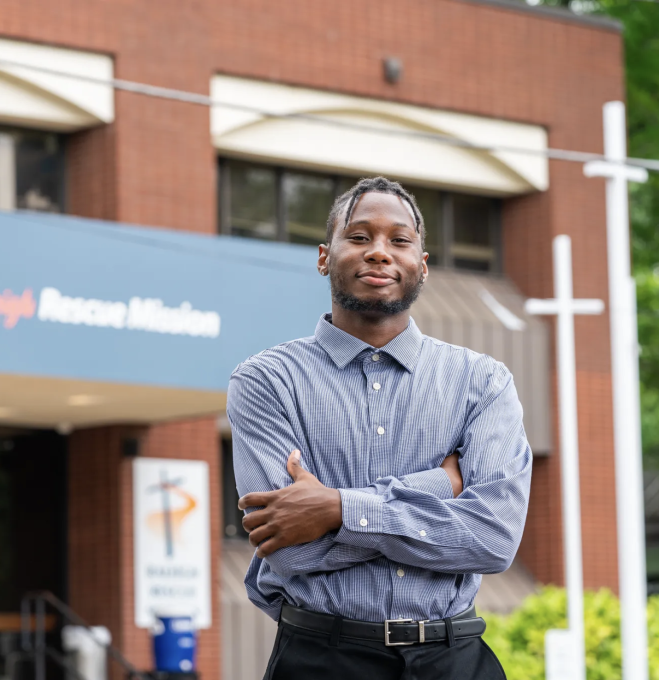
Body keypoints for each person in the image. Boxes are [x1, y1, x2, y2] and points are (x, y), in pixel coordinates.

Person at [227, 177, 532, 678]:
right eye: (360, 236)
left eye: (399, 240)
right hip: (320, 658)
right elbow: (291, 549)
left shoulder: (483, 383)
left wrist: (336, 508)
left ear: (422, 265)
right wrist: (441, 485)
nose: (379, 253)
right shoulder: (266, 381)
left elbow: (492, 538)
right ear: (325, 257)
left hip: (453, 659)